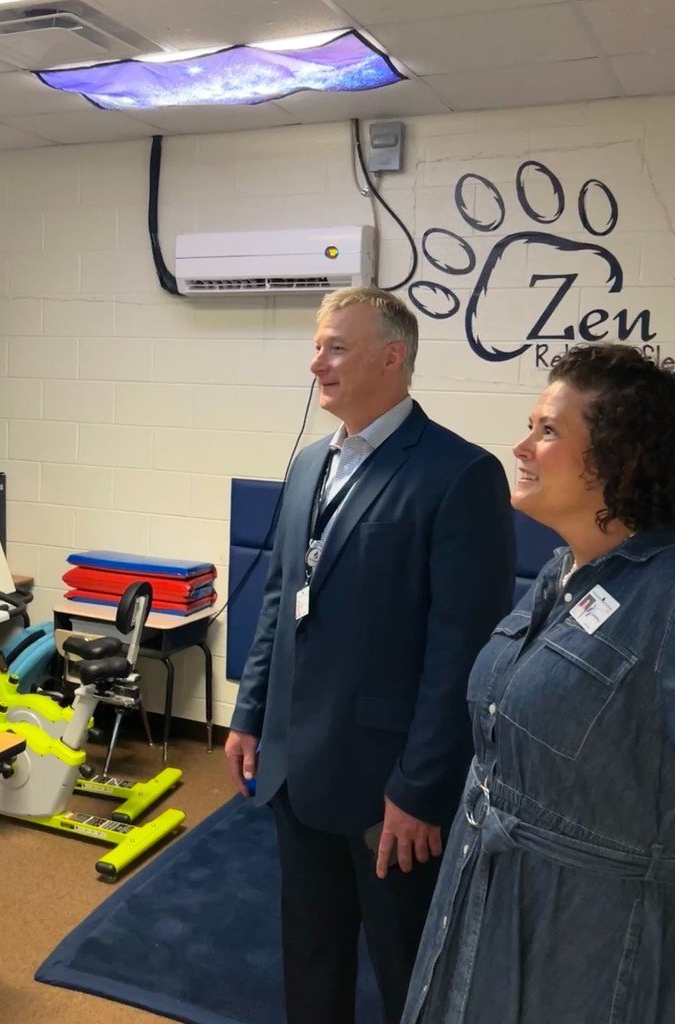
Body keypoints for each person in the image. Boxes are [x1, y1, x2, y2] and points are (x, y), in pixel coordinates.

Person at [225, 287, 515, 1024]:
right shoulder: (307, 466)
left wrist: (421, 787)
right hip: (295, 768)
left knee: (405, 969)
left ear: (393, 357)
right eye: (318, 345)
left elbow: (463, 653)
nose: (315, 362)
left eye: (336, 347)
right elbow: (277, 603)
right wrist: (250, 713)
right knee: (312, 955)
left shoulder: (458, 475)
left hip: (388, 786)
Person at [403, 344, 675, 1023]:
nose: (521, 446)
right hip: (487, 896)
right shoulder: (562, 572)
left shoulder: (666, 596)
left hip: (590, 937)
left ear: (623, 456)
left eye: (548, 430)